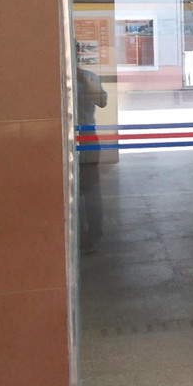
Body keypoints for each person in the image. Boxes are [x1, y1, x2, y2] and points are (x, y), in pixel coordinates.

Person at [76, 64, 107, 255]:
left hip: (86, 136)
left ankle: (94, 234)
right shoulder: (53, 78)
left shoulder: (88, 77)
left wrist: (85, 82)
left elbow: (102, 101)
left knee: (91, 187)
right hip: (63, 136)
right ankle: (76, 233)